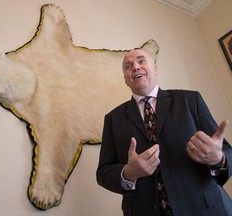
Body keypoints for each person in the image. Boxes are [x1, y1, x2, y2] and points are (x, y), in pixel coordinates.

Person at [96, 40, 232, 216]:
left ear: (155, 69)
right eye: (128, 66)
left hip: (205, 209)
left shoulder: (190, 100)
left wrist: (218, 158)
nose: (135, 67)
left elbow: (227, 151)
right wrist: (128, 172)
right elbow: (103, 172)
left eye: (141, 61)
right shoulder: (112, 119)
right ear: (126, 80)